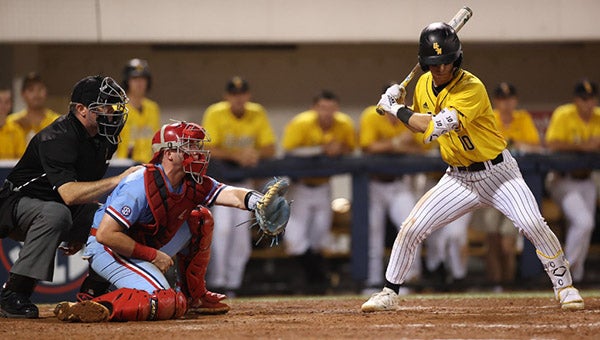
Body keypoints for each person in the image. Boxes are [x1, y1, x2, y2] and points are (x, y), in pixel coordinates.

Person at [361, 22, 584, 312]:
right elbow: (417, 125)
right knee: (412, 227)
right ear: (424, 63)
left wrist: (393, 108)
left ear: (457, 59)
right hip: (458, 178)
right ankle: (389, 291)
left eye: (446, 62)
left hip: (499, 174)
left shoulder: (472, 87)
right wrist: (400, 102)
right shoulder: (424, 84)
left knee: (532, 223)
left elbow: (431, 128)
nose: (441, 69)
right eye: (434, 63)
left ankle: (565, 285)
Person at [54, 121, 273, 322]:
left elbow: (231, 194)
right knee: (165, 300)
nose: (197, 153)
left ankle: (194, 296)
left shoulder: (192, 181)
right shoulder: (140, 182)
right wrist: (153, 256)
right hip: (108, 248)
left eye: (197, 146)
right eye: (189, 146)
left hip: (140, 243)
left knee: (200, 218)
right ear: (168, 153)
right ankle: (91, 307)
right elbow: (106, 235)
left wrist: (259, 202)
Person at [0, 75, 134, 318]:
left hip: (53, 203)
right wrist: (118, 179)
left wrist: (82, 225)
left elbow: (82, 190)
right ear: (81, 109)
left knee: (114, 218)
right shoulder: (59, 136)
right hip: (14, 204)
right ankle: (13, 294)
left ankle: (93, 293)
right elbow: (69, 194)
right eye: (102, 106)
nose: (111, 112)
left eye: (113, 106)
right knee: (57, 213)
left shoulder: (104, 138)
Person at [203, 76, 277, 296]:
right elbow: (208, 148)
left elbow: (270, 148)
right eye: (234, 94)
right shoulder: (215, 112)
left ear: (248, 95)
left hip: (245, 183)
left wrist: (253, 154)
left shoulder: (257, 112)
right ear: (227, 96)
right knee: (222, 232)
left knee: (241, 239)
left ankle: (233, 285)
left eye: (242, 94)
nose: (238, 98)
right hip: (221, 185)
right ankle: (217, 282)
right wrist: (237, 155)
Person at [282, 90, 355, 293]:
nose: (327, 113)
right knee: (295, 240)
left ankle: (311, 285)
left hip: (324, 187)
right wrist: (322, 150)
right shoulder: (301, 123)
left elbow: (351, 148)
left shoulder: (344, 124)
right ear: (314, 108)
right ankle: (319, 278)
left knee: (319, 239)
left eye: (331, 108)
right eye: (323, 108)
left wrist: (339, 149)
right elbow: (289, 151)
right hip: (301, 187)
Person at [477, 82, 542, 291]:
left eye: (510, 98)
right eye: (502, 99)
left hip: (514, 186)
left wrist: (515, 144)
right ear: (496, 101)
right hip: (490, 184)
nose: (506, 103)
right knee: (492, 240)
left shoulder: (523, 118)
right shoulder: (489, 118)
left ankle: (509, 286)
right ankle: (496, 286)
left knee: (507, 243)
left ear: (515, 100)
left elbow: (535, 145)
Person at [358, 96, 422, 294]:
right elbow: (368, 147)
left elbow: (420, 148)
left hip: (399, 184)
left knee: (412, 227)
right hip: (375, 184)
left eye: (399, 99)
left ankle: (408, 281)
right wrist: (396, 143)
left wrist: (389, 145)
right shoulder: (372, 114)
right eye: (392, 99)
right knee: (373, 234)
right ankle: (372, 282)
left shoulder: (409, 115)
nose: (396, 102)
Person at [545, 79, 600, 284]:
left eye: (591, 99)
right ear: (576, 100)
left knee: (587, 226)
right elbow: (552, 143)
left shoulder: (598, 116)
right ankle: (563, 273)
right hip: (563, 180)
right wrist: (584, 146)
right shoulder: (564, 113)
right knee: (583, 222)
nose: (588, 103)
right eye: (583, 99)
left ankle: (576, 276)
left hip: (586, 180)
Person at [116, 58, 161, 163]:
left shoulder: (153, 108)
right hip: (124, 167)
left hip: (149, 166)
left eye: (143, 78)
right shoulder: (117, 109)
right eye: (134, 78)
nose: (139, 83)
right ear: (127, 81)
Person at [7, 72, 60, 143]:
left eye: (40, 89)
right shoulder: (12, 123)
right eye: (31, 90)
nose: (36, 94)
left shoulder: (57, 123)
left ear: (46, 92)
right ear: (23, 94)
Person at [0, 87, 26, 159]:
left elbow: (21, 159)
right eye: (0, 101)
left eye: (7, 102)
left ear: (10, 105)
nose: (2, 106)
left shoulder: (17, 131)